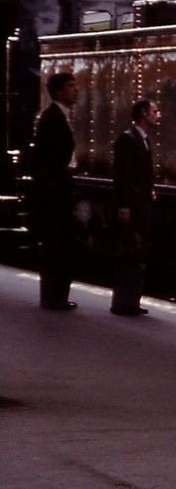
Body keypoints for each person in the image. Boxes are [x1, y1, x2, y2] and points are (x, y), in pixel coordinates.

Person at [29, 70, 80, 310]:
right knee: (56, 245)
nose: (76, 90)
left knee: (61, 245)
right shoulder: (52, 118)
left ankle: (56, 295)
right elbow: (48, 160)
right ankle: (52, 297)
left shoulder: (59, 116)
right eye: (71, 86)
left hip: (58, 191)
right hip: (54, 194)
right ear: (59, 91)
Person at [111, 97, 159, 317]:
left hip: (141, 203)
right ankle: (122, 302)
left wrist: (149, 189)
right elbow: (122, 177)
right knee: (128, 253)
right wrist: (124, 207)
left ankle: (131, 301)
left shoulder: (144, 140)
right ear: (143, 113)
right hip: (132, 205)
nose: (158, 115)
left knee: (138, 253)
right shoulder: (128, 140)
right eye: (154, 111)